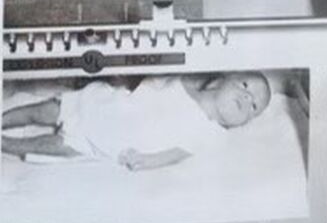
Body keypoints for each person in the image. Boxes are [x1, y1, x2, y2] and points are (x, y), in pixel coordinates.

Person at [2, 72, 271, 171]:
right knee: (48, 110)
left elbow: (176, 154)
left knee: (61, 145)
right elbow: (150, 80)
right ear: (224, 78)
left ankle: (7, 144)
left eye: (254, 106)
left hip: (119, 138)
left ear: (244, 123)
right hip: (112, 104)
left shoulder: (210, 132)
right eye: (245, 85)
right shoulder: (186, 80)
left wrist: (147, 161)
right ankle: (4, 118)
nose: (247, 98)